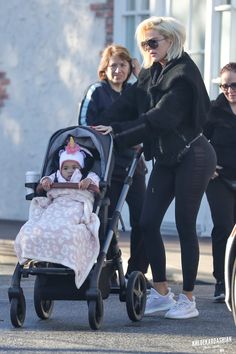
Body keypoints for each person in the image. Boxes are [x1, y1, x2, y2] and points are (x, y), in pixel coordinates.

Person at [93, 16, 217, 319]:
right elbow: (126, 105)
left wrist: (120, 136)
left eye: (153, 42)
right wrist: (97, 128)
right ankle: (161, 292)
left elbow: (160, 119)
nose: (147, 48)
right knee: (147, 223)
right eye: (144, 43)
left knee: (185, 224)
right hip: (166, 158)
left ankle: (188, 299)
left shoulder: (183, 74)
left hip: (194, 155)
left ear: (170, 42)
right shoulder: (150, 73)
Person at [78, 44, 149, 281]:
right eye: (113, 65)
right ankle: (107, 268)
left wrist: (142, 76)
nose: (118, 70)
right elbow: (84, 127)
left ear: (130, 68)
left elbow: (149, 119)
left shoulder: (135, 92)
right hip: (105, 167)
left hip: (132, 166)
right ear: (105, 68)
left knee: (144, 219)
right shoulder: (96, 91)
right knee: (106, 219)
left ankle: (136, 272)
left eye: (123, 65)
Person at [14, 137, 100, 289]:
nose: (70, 171)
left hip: (76, 204)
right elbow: (46, 180)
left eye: (74, 167)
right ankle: (41, 252)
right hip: (57, 204)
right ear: (60, 168)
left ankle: (68, 255)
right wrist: (45, 182)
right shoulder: (56, 176)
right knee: (41, 224)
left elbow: (95, 182)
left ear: (81, 167)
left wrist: (88, 183)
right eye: (66, 168)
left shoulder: (87, 176)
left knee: (70, 226)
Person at [204, 62, 236, 303]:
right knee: (223, 228)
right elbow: (196, 139)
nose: (229, 89)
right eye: (224, 85)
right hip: (220, 179)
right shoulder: (213, 110)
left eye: (234, 84)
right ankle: (221, 282)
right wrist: (208, 164)